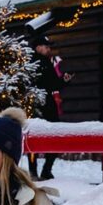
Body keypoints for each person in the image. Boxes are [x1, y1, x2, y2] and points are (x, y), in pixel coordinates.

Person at [29, 34, 73, 181]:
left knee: (43, 137)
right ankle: (40, 171)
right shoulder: (31, 63)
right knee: (50, 136)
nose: (49, 50)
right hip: (39, 103)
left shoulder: (46, 62)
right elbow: (50, 84)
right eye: (46, 47)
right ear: (38, 48)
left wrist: (64, 80)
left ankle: (41, 171)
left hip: (44, 102)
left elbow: (54, 84)